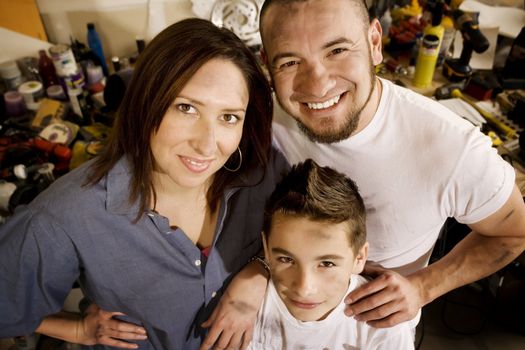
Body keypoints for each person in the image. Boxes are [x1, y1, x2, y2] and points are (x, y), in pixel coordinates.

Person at [0, 18, 289, 350]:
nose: (208, 145)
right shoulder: (66, 216)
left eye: (229, 117)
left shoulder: (263, 173)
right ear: (146, 103)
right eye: (186, 108)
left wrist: (259, 270)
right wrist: (78, 330)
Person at [259, 0, 525, 330]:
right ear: (266, 65)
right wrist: (253, 272)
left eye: (337, 50)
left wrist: (424, 286)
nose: (317, 84)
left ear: (374, 43)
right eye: (290, 62)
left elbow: (515, 232)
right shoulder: (258, 120)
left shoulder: (449, 146)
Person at [249, 159, 414, 349]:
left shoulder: (384, 325)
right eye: (286, 259)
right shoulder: (247, 308)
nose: (304, 288)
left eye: (327, 263)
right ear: (266, 248)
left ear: (359, 257)